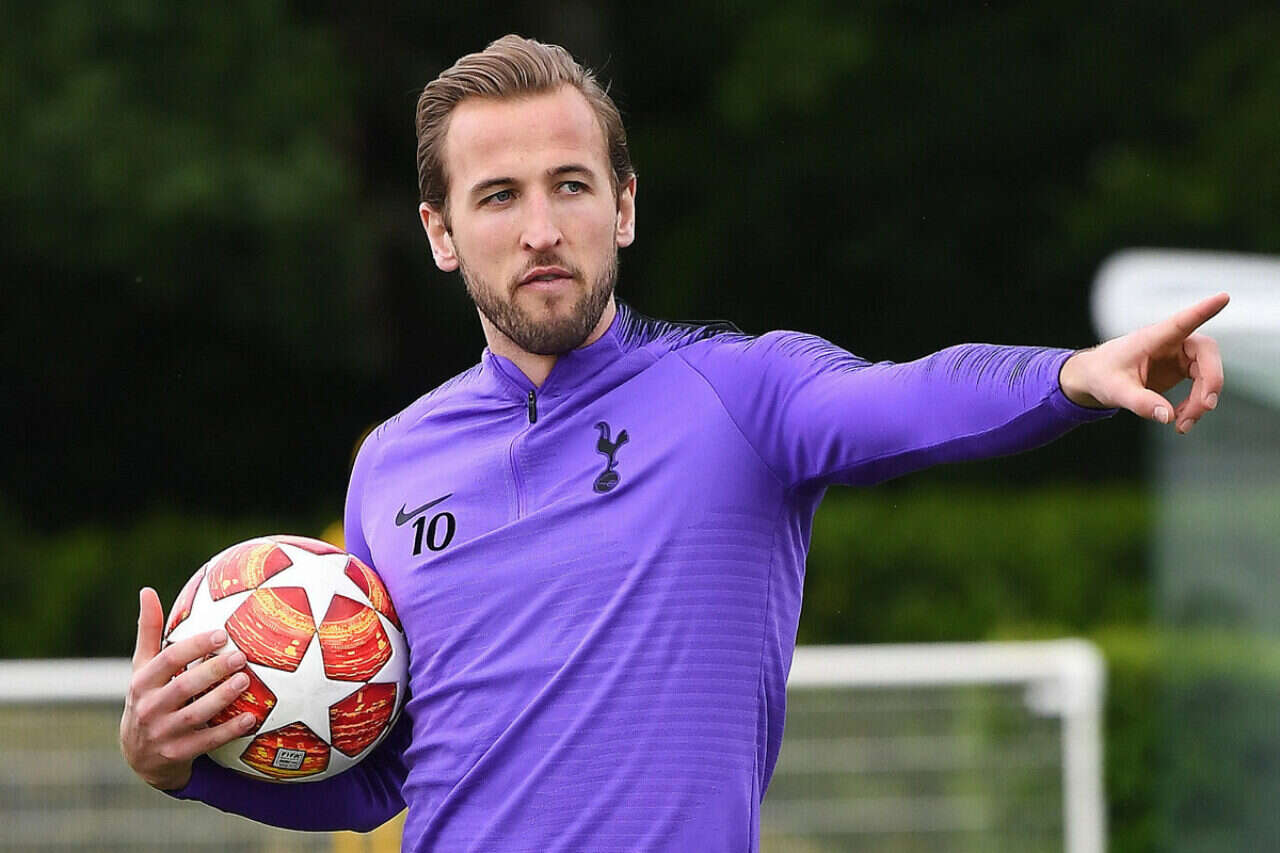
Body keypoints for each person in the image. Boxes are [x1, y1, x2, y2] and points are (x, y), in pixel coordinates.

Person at [121, 35, 1227, 852]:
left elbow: (909, 396)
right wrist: (183, 767)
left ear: (624, 206)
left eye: (570, 185)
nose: (541, 229)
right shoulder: (392, 464)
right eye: (498, 197)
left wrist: (1069, 376)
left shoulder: (740, 394)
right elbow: (383, 773)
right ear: (441, 232)